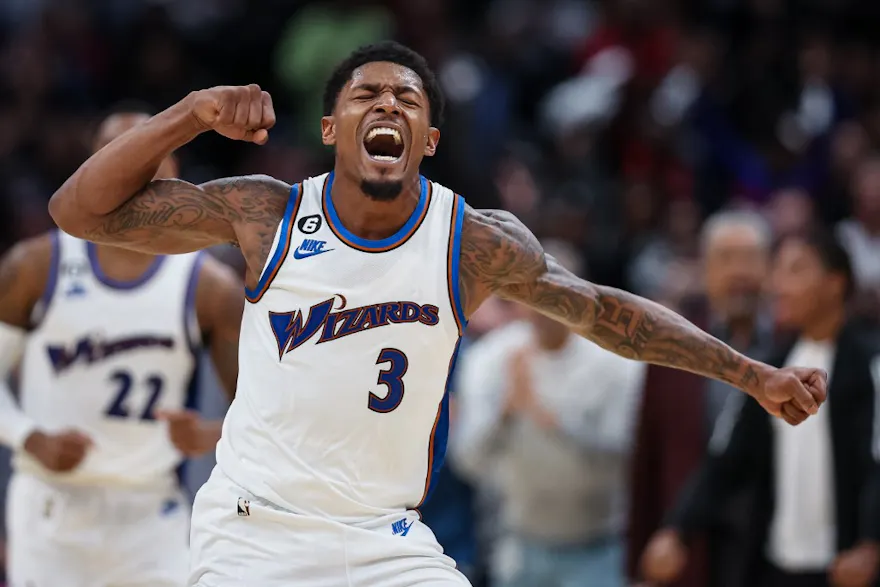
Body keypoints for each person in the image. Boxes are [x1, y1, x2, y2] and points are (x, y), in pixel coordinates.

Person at [47, 41, 827, 586]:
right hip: (257, 531)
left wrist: (750, 372)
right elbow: (78, 211)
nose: (387, 102)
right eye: (366, 94)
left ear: (428, 136)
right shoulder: (267, 214)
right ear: (331, 131)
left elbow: (600, 311)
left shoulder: (471, 243)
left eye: (406, 98)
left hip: (386, 540)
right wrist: (190, 112)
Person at [0, 111, 243, 587]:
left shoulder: (209, 286)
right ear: (96, 168)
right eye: (124, 153)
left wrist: (212, 435)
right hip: (50, 506)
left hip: (150, 512)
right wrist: (30, 436)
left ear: (176, 174)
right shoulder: (35, 265)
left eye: (153, 153)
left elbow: (263, 413)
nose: (140, 166)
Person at [640, 230, 880, 587]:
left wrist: (871, 543)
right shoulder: (773, 366)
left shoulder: (870, 361)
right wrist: (678, 529)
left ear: (835, 282)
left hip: (847, 569)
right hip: (775, 566)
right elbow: (725, 458)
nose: (779, 284)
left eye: (796, 270)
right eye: (778, 271)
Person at [453, 240, 645, 587]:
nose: (544, 305)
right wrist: (506, 411)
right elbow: (468, 461)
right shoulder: (492, 359)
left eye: (557, 293)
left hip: (597, 545)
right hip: (520, 542)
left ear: (582, 296)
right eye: (533, 292)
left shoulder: (617, 363)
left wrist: (550, 417)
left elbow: (624, 461)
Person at [628, 210, 774, 587]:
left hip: (772, 545)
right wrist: (639, 559)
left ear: (769, 268)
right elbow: (647, 458)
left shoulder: (794, 346)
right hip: (691, 546)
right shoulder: (670, 346)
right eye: (726, 259)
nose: (739, 272)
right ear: (705, 269)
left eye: (749, 258)